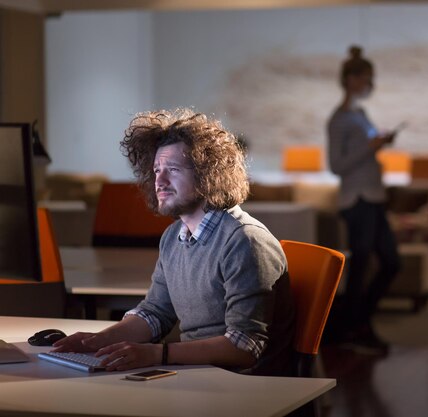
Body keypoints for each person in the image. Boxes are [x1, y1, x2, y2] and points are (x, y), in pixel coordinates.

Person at [53, 109, 296, 376]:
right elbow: (155, 313)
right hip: (197, 375)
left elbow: (245, 347)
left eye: (173, 169)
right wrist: (97, 341)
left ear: (208, 175)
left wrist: (158, 353)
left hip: (243, 389)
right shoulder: (173, 236)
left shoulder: (244, 241)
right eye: (157, 170)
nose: (159, 181)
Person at [327, 46, 400, 354]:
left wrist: (379, 143)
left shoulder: (360, 114)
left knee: (392, 262)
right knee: (363, 266)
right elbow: (337, 165)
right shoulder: (339, 119)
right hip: (357, 199)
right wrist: (371, 146)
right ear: (350, 80)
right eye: (366, 79)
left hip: (373, 195)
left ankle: (356, 321)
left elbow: (365, 150)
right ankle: (355, 327)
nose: (370, 84)